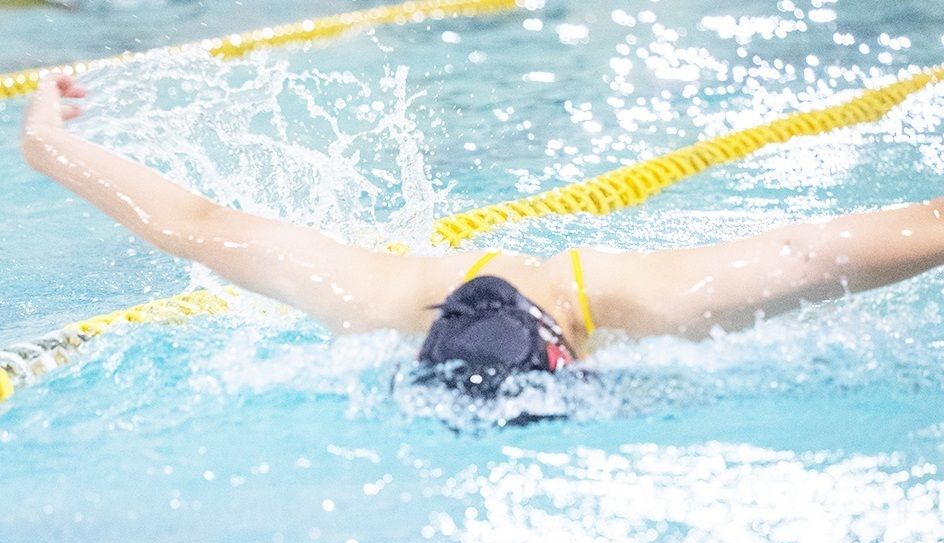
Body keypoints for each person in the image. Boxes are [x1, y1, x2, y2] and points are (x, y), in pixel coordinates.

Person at [21, 76, 944, 392]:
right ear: (568, 346)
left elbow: (194, 227)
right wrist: (49, 145)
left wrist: (46, 143)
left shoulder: (377, 301)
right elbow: (826, 250)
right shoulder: (630, 295)